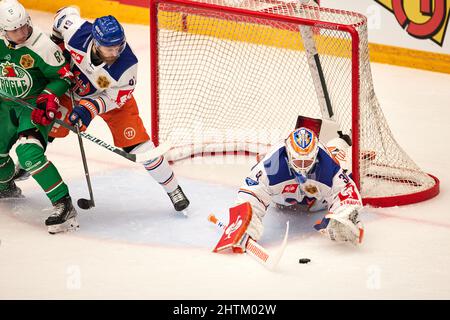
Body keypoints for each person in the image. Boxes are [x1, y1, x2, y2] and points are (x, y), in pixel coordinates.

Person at [50, 7, 190, 212]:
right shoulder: (76, 33)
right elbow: (64, 14)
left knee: (141, 149)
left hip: (113, 102)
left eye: (119, 46)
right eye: (110, 48)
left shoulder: (126, 65)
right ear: (96, 43)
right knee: (48, 120)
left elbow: (113, 99)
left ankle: (173, 189)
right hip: (75, 90)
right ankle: (25, 167)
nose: (116, 52)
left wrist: (89, 108)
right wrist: (56, 49)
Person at [214, 125, 364, 252]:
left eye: (308, 162)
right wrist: (245, 222)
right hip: (284, 200)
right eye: (298, 161)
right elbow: (252, 191)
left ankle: (342, 142)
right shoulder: (273, 164)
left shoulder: (325, 162)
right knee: (280, 199)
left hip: (316, 200)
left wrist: (346, 216)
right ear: (289, 154)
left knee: (344, 166)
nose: (303, 167)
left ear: (315, 155)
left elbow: (345, 190)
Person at [0, 0, 78, 234]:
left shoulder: (43, 46)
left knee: (29, 153)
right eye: (15, 30)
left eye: (24, 26)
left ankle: (63, 203)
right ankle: (6, 186)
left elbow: (65, 77)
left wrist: (48, 95)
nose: (22, 32)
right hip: (4, 106)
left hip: (32, 108)